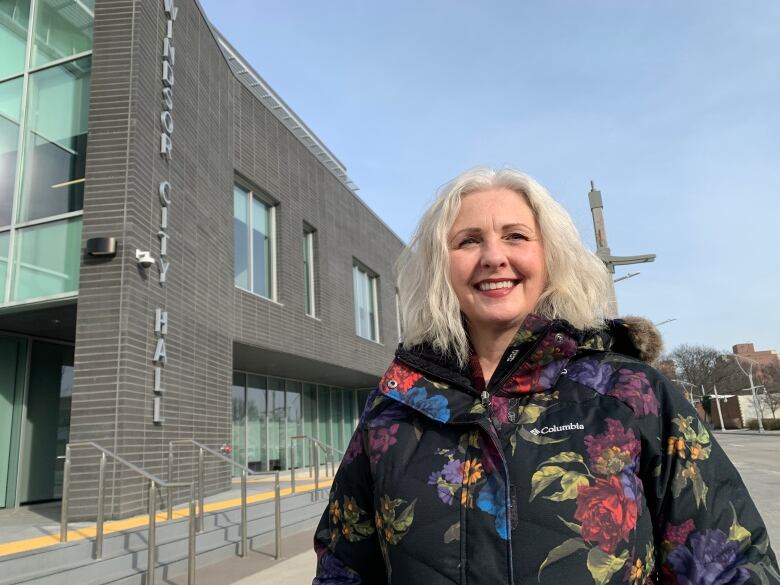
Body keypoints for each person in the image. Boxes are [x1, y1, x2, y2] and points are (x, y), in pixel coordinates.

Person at [313, 167, 779, 585]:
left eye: (515, 236)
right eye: (468, 240)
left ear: (551, 256)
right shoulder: (393, 407)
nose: (493, 256)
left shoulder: (633, 393)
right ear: (441, 267)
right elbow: (343, 567)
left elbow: (729, 562)